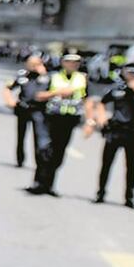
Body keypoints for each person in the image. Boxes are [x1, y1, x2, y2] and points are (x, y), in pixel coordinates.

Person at [94, 62, 134, 209]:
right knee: (106, 163)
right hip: (116, 130)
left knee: (131, 165)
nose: (133, 75)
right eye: (130, 72)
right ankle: (100, 192)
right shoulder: (117, 88)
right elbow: (102, 102)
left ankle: (129, 197)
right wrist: (101, 117)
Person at [26, 51, 88, 196]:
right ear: (62, 63)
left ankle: (49, 185)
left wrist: (90, 120)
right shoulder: (52, 77)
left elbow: (87, 99)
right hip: (51, 118)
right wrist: (57, 93)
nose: (72, 65)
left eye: (75, 63)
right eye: (69, 62)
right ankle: (38, 182)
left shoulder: (82, 79)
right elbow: (38, 95)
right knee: (44, 151)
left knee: (59, 153)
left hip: (69, 119)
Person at [2, 54, 50, 168]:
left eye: (35, 64)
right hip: (23, 108)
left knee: (39, 137)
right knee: (21, 135)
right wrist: (9, 100)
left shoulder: (46, 77)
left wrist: (43, 73)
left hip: (38, 110)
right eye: (30, 64)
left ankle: (40, 161)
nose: (32, 66)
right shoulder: (22, 75)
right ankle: (20, 159)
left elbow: (54, 91)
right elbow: (8, 87)